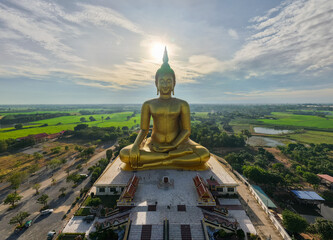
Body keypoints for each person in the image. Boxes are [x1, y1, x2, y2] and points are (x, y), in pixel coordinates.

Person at [120, 48, 210, 169]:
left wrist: (173, 145)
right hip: (154, 145)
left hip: (180, 144)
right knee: (125, 154)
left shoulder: (182, 104)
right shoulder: (148, 104)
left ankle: (159, 161)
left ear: (174, 83)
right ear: (156, 83)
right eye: (162, 81)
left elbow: (186, 131)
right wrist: (136, 146)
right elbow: (144, 130)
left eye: (169, 81)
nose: (165, 85)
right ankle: (170, 159)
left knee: (204, 154)